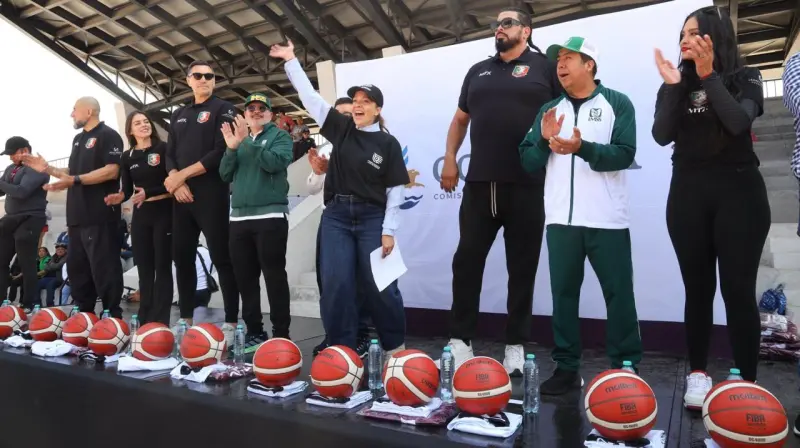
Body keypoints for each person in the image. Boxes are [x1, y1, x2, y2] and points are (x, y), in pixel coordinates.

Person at [652, 6, 769, 408]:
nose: (685, 39)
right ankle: (698, 374)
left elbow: (738, 122)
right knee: (697, 290)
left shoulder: (745, 77)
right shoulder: (675, 82)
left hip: (739, 193)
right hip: (687, 193)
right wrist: (672, 87)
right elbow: (660, 135)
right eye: (682, 32)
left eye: (695, 33)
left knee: (737, 291)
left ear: (716, 37)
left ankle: (747, 383)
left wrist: (707, 76)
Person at [438, 6, 561, 374]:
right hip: (480, 184)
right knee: (467, 261)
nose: (499, 28)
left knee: (522, 269)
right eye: (497, 24)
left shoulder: (544, 68)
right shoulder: (478, 71)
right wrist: (449, 158)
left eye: (507, 23)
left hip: (527, 184)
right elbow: (460, 119)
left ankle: (515, 346)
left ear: (526, 30)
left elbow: (565, 112)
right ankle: (460, 340)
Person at [519, 37, 642, 395]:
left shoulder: (617, 102)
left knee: (619, 295)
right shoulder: (549, 110)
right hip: (561, 221)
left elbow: (623, 153)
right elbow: (527, 162)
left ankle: (625, 366)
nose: (560, 63)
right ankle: (567, 368)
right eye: (558, 59)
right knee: (564, 296)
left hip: (607, 220)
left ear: (589, 64)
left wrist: (581, 148)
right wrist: (543, 142)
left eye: (569, 58)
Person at [271, 40, 409, 356]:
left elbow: (396, 190)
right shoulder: (342, 129)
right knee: (336, 286)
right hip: (336, 217)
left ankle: (395, 350)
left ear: (377, 109)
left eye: (366, 101)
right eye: (356, 99)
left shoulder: (388, 144)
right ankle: (342, 350)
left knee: (382, 287)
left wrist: (389, 230)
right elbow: (311, 99)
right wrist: (292, 59)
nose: (358, 105)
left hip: (373, 218)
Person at [24, 97, 125, 317]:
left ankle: (112, 316)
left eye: (74, 110)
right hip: (76, 218)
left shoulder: (108, 135)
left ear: (88, 111)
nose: (72, 114)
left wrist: (76, 180)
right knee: (79, 271)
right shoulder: (78, 139)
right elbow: (73, 174)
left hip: (99, 215)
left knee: (104, 269)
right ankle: (85, 317)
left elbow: (111, 170)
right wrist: (48, 169)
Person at [164, 60, 239, 342]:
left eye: (210, 76)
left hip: (212, 193)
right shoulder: (179, 113)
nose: (205, 79)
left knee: (222, 257)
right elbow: (170, 152)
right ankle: (184, 319)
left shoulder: (224, 109)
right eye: (199, 75)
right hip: (181, 197)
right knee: (182, 258)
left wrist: (181, 175)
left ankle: (231, 321)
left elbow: (220, 152)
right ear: (189, 80)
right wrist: (175, 179)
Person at [219, 92, 293, 353]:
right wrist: (231, 148)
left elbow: (274, 163)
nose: (256, 111)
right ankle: (254, 331)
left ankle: (281, 333)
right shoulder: (237, 141)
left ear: (270, 114)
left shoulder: (280, 136)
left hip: (270, 216)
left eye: (262, 108)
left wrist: (244, 144)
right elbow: (224, 173)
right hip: (239, 218)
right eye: (251, 108)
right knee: (245, 279)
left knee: (274, 277)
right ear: (245, 114)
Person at [308, 97, 372, 358]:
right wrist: (319, 171)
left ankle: (360, 335)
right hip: (330, 220)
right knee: (330, 283)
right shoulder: (326, 147)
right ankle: (333, 336)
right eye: (340, 114)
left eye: (349, 114)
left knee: (356, 283)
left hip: (360, 220)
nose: (345, 118)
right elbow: (311, 188)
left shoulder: (369, 143)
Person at [104, 110, 173, 326]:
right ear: (130, 130)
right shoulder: (127, 156)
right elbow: (127, 189)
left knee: (162, 268)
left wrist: (149, 193)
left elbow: (173, 182)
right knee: (144, 268)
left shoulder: (163, 148)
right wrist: (120, 196)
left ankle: (160, 320)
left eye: (146, 121)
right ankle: (145, 321)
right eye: (138, 123)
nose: (144, 125)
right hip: (141, 216)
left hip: (164, 211)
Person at [0, 136, 49, 311]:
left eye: (12, 154)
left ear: (24, 151)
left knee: (26, 261)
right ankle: (1, 300)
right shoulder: (10, 168)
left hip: (30, 217)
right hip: (11, 217)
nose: (10, 158)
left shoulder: (36, 168)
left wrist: (2, 183)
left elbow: (21, 192)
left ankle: (29, 302)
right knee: (2, 259)